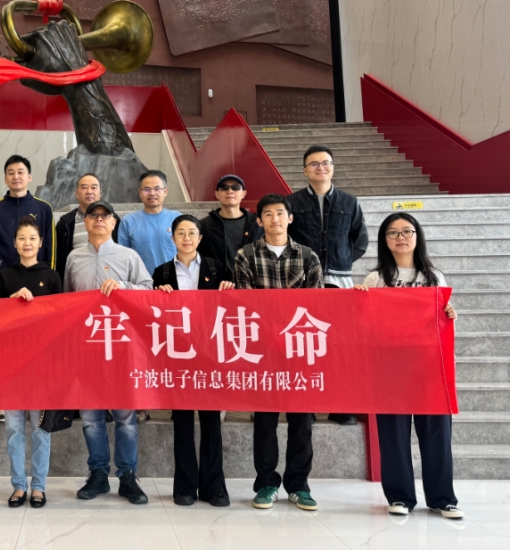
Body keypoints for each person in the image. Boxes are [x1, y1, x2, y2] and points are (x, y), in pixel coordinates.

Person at [355, 213, 462, 519]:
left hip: (429, 366)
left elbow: (442, 317)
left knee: (437, 433)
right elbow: (365, 325)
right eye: (392, 233)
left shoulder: (434, 276)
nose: (400, 237)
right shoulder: (375, 279)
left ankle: (442, 499)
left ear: (417, 236)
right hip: (389, 367)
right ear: (384, 240)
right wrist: (358, 303)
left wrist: (450, 315)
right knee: (393, 435)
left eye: (406, 231)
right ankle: (400, 497)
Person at [234, 193, 322, 512]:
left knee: (302, 422)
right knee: (264, 421)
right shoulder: (245, 256)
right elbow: (246, 305)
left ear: (290, 218)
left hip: (299, 350)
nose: (275, 219)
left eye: (280, 213)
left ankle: (298, 485)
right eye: (268, 214)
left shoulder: (308, 256)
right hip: (263, 352)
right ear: (259, 220)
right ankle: (267, 483)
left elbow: (316, 305)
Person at [63, 200, 153, 505]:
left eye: (105, 216)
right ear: (86, 222)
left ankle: (127, 475)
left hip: (122, 348)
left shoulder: (128, 256)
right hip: (87, 349)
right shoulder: (74, 258)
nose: (99, 220)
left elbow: (148, 290)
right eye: (93, 215)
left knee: (125, 417)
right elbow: (66, 302)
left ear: (114, 223)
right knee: (91, 417)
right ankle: (98, 474)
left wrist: (125, 286)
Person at [152, 215, 234, 508]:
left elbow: (231, 307)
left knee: (212, 422)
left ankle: (215, 487)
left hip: (210, 354)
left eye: (192, 233)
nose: (186, 238)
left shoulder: (216, 268)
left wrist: (229, 289)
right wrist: (158, 295)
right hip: (178, 357)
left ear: (200, 238)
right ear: (172, 238)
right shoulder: (162, 272)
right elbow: (153, 315)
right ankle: (185, 486)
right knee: (183, 422)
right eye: (181, 233)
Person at [287, 145, 368, 426]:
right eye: (314, 164)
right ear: (304, 170)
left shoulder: (349, 202)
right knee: (304, 343)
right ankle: (306, 407)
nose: (320, 168)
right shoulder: (292, 202)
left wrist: (341, 259)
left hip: (339, 281)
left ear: (333, 167)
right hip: (302, 283)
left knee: (338, 346)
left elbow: (360, 240)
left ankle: (339, 405)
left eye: (325, 163)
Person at [0, 216, 63, 509]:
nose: (27, 243)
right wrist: (11, 302)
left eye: (32, 238)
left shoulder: (52, 276)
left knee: (40, 429)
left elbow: (61, 320)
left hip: (42, 366)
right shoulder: (4, 276)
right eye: (22, 238)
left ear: (41, 243)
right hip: (11, 365)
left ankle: (39, 486)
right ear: (14, 243)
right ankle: (18, 485)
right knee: (13, 429)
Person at [0, 155, 54, 423]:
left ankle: (38, 398)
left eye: (21, 172)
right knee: (4, 345)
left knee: (37, 346)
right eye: (11, 172)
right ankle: (3, 401)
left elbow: (50, 247)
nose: (16, 176)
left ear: (29, 177)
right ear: (5, 178)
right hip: (3, 284)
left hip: (39, 285)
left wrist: (48, 280)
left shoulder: (43, 208)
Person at [197, 174, 264, 279]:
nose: (230, 191)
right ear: (217, 194)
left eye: (235, 187)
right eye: (224, 188)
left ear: (244, 193)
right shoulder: (204, 225)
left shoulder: (258, 224)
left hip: (252, 284)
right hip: (218, 285)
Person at [54, 172, 119, 278]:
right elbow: (59, 259)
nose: (89, 191)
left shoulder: (113, 220)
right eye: (84, 187)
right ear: (76, 193)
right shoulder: (65, 223)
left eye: (94, 187)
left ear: (100, 193)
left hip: (109, 280)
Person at [118, 170, 182, 275]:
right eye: (147, 189)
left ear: (165, 191)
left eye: (157, 189)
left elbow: (187, 251)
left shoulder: (177, 218)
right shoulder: (128, 221)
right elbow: (123, 257)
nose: (152, 193)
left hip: (173, 280)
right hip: (140, 281)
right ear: (140, 193)